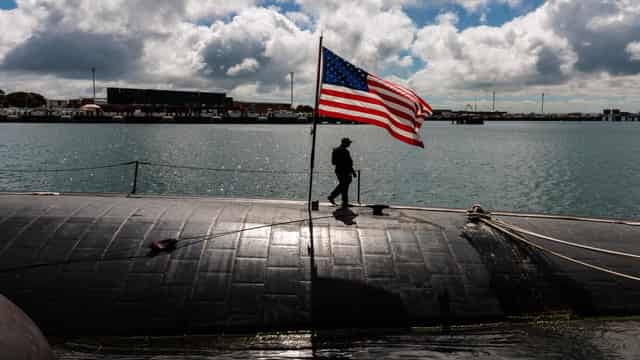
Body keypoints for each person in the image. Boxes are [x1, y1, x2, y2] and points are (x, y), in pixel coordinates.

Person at [328, 137, 357, 207]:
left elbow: (333, 162)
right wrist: (353, 172)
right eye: (348, 143)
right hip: (345, 171)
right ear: (345, 143)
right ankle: (333, 196)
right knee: (344, 185)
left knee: (344, 185)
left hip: (338, 171)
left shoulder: (335, 150)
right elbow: (349, 163)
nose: (349, 144)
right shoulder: (345, 151)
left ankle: (344, 201)